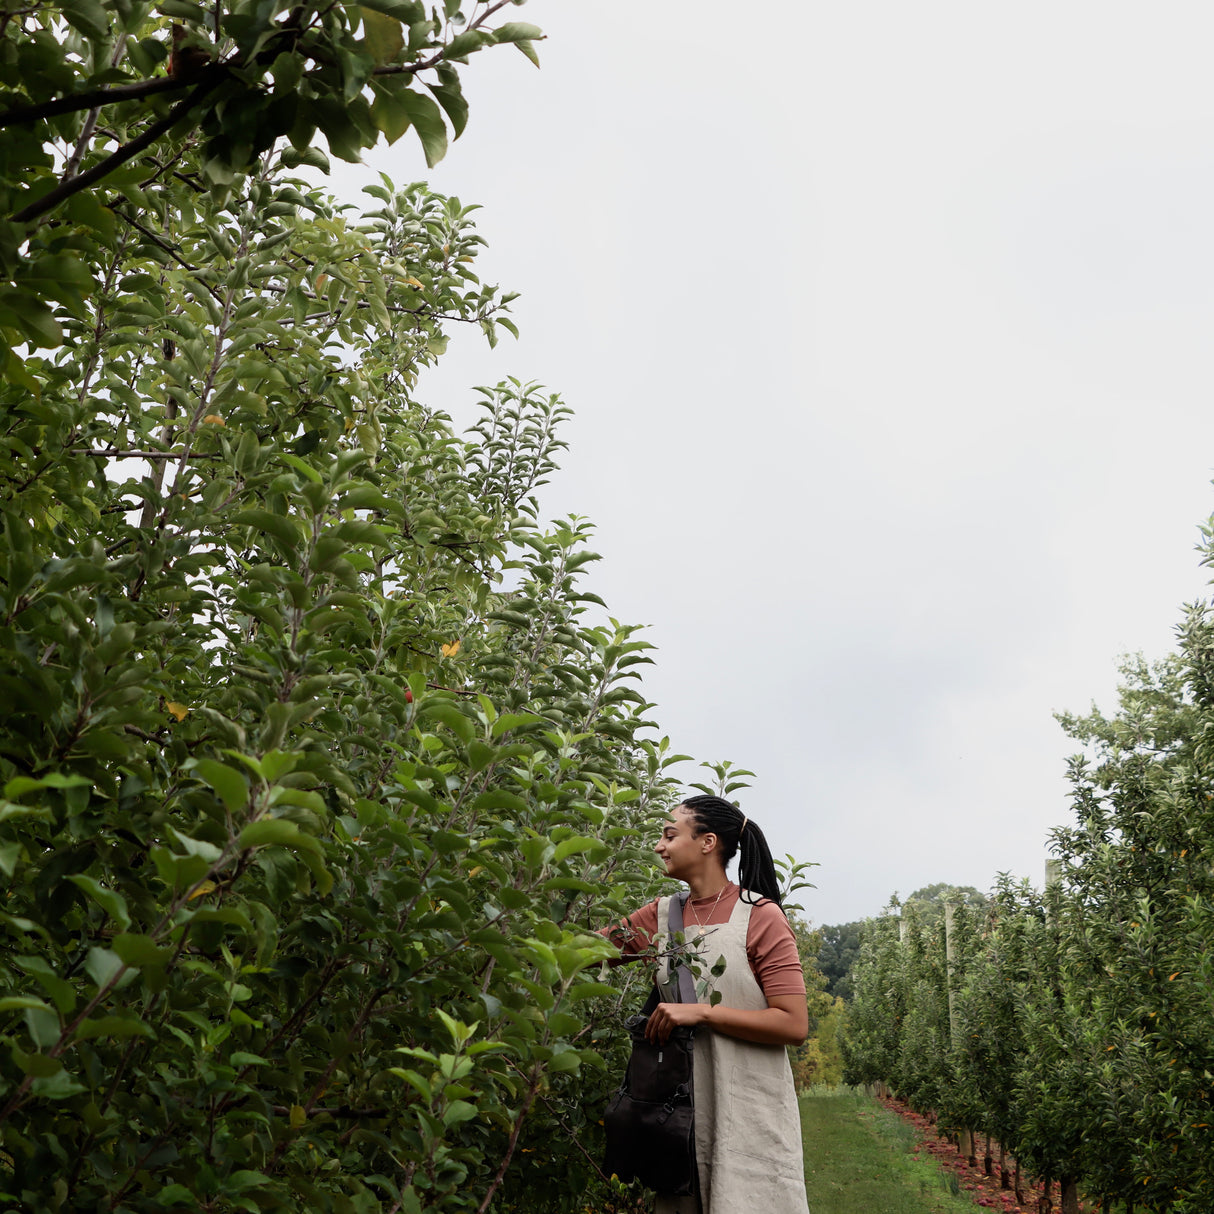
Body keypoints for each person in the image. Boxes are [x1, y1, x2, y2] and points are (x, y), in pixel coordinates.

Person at [605, 794, 811, 1214]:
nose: (659, 846)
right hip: (676, 1119)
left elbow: (793, 1024)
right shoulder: (660, 917)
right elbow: (580, 950)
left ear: (707, 842)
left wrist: (702, 1012)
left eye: (669, 835)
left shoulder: (760, 917)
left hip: (748, 1114)